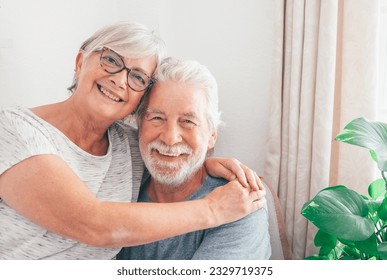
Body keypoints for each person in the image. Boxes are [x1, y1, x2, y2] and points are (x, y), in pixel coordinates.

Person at [0, 22, 265, 260]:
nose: (119, 80)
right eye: (111, 60)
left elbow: (169, 152)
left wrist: (206, 163)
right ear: (80, 62)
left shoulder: (127, 145)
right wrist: (212, 209)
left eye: (137, 77)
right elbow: (93, 223)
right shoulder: (13, 128)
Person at [116, 57, 271, 260]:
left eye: (188, 121)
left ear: (212, 136)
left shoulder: (241, 205)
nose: (170, 138)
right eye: (157, 118)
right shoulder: (122, 189)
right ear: (139, 128)